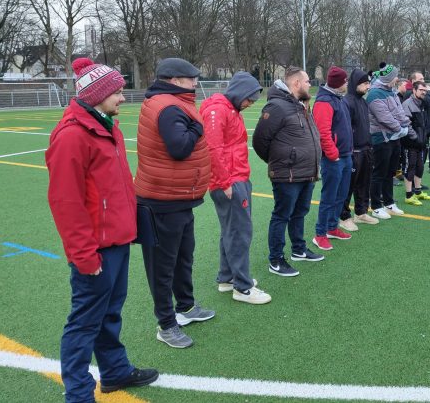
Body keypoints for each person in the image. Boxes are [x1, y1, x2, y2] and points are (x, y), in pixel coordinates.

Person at [46, 59, 158, 402]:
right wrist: (83, 254)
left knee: (110, 312)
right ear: (98, 94)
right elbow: (66, 203)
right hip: (95, 249)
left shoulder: (107, 126)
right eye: (117, 91)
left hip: (118, 241)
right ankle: (78, 393)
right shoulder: (72, 136)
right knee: (84, 322)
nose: (123, 97)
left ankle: (114, 371)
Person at [135, 57, 214, 349]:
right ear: (174, 80)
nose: (195, 83)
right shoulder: (168, 106)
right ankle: (166, 324)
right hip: (161, 201)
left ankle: (186, 307)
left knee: (183, 257)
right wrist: (198, 126)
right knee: (162, 266)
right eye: (191, 78)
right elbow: (179, 147)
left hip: (178, 198)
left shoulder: (171, 103)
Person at [200, 72, 271, 305]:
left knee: (231, 231)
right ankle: (242, 287)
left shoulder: (230, 109)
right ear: (240, 92)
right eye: (249, 99)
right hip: (230, 181)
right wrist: (224, 182)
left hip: (237, 176)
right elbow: (213, 148)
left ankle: (227, 278)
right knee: (240, 233)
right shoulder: (218, 109)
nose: (250, 104)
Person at [253, 67, 325, 276]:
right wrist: (282, 162)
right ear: (295, 84)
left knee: (300, 213)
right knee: (281, 215)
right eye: (307, 81)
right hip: (288, 174)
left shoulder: (301, 105)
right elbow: (260, 141)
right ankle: (276, 260)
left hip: (306, 172)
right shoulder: (277, 106)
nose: (310, 84)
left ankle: (298, 250)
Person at [312, 67, 354, 251]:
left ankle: (331, 227)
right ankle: (320, 234)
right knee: (329, 197)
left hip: (345, 155)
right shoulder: (324, 101)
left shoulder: (338, 99)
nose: (346, 84)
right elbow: (323, 133)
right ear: (338, 83)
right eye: (344, 81)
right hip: (334, 159)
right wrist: (333, 155)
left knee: (341, 195)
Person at [367, 64, 414, 219]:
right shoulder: (374, 93)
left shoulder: (391, 92)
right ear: (389, 78)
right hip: (382, 138)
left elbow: (399, 112)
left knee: (390, 172)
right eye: (395, 76)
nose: (397, 79)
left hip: (394, 137)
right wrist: (399, 129)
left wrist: (406, 124)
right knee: (379, 173)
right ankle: (375, 205)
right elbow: (384, 117)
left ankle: (389, 203)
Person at [339, 69, 380, 230]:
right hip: (353, 151)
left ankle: (361, 212)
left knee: (364, 183)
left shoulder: (363, 101)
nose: (368, 86)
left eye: (368, 83)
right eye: (364, 83)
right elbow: (344, 129)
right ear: (356, 84)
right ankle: (343, 216)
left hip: (366, 149)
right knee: (348, 186)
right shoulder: (346, 102)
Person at [402, 81, 430, 206]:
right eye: (421, 90)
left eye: (425, 90)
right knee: (410, 167)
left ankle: (418, 191)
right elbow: (405, 124)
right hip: (410, 143)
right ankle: (409, 195)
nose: (424, 92)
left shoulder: (423, 103)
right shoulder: (407, 104)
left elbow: (424, 123)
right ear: (414, 90)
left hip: (421, 143)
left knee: (420, 167)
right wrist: (415, 137)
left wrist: (424, 137)